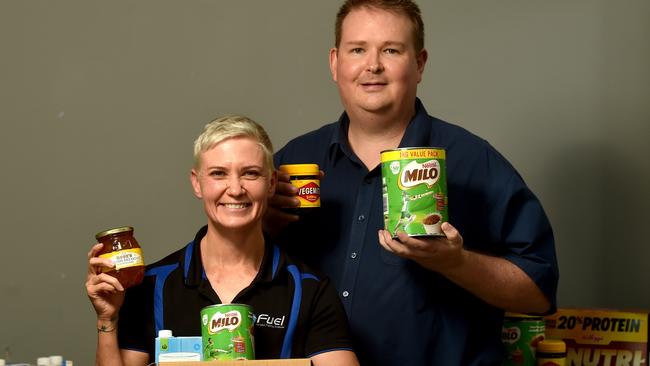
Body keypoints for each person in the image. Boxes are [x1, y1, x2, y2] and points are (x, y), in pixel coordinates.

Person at [268, 0, 559, 365]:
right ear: (335, 62)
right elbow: (233, 270)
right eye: (358, 49)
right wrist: (265, 229)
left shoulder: (472, 160)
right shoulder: (293, 161)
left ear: (419, 64)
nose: (372, 65)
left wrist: (455, 263)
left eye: (391, 50)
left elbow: (539, 292)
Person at [86, 115, 359, 366]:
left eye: (250, 173)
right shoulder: (152, 284)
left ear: (272, 183)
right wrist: (107, 318)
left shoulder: (310, 288)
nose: (235, 189)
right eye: (219, 173)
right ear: (197, 183)